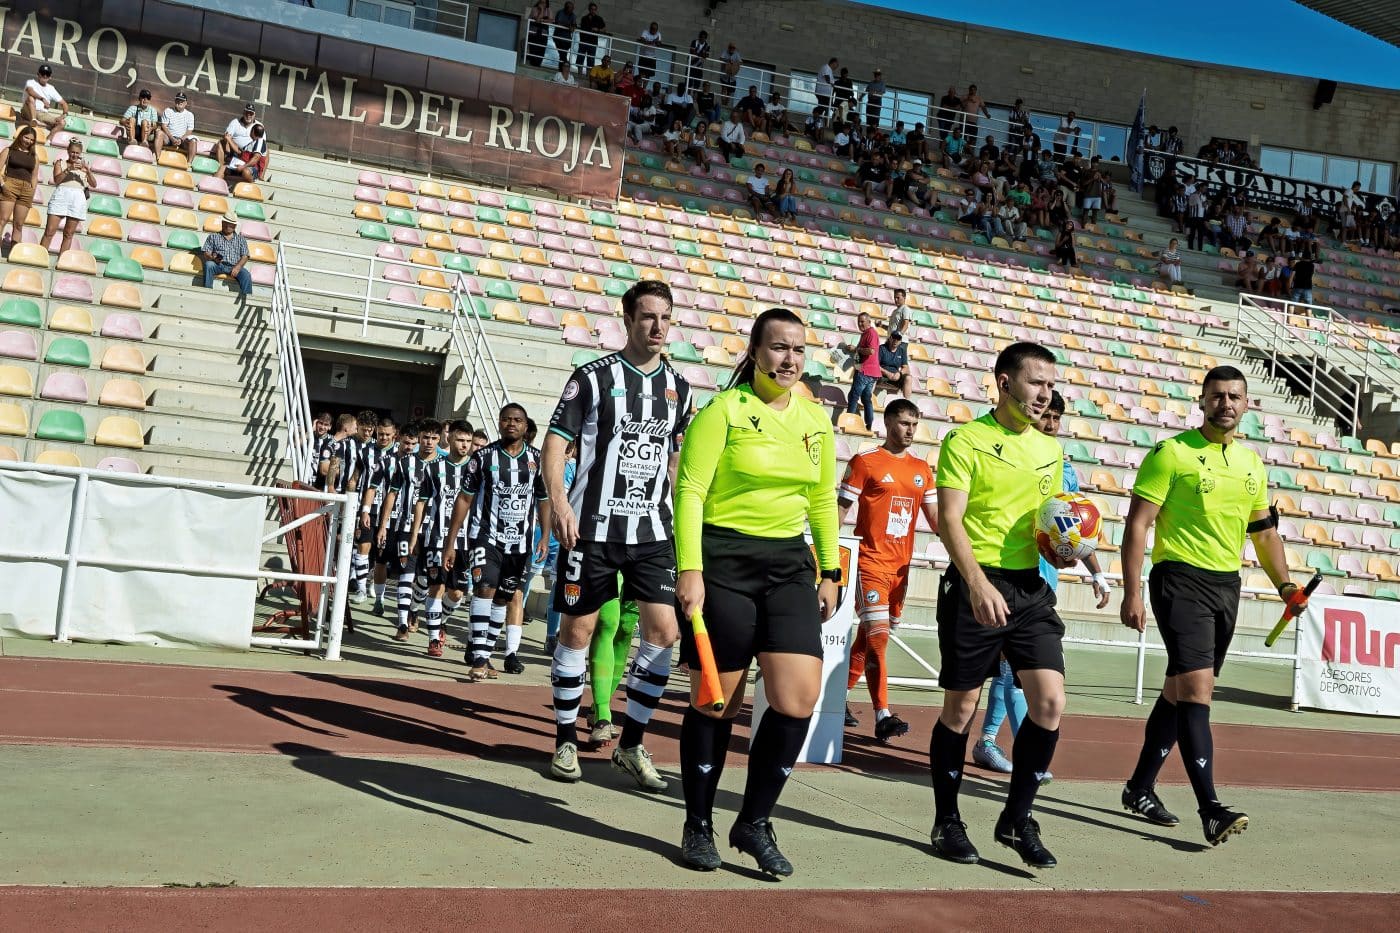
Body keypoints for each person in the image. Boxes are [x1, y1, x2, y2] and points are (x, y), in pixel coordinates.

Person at [673, 307, 840, 875]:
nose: (789, 359)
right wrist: (689, 569)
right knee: (717, 701)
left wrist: (832, 571)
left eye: (797, 349)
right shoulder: (723, 410)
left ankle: (755, 820)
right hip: (723, 562)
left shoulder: (817, 420)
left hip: (789, 564)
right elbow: (690, 490)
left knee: (797, 700)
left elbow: (821, 500)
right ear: (755, 351)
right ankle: (698, 825)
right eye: (777, 348)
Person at [1120, 367, 1306, 846]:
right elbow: (1138, 524)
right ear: (1201, 401)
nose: (1227, 403)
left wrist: (1285, 586)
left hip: (1226, 586)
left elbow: (1263, 533)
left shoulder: (1251, 464)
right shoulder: (1171, 453)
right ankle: (1211, 809)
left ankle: (1139, 787)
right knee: (1199, 692)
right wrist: (1132, 591)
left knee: (1179, 691)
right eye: (1218, 396)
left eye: (1235, 397)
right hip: (1178, 579)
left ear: (1246, 405)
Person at [544, 280, 693, 790]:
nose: (658, 327)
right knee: (578, 634)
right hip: (593, 531)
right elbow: (555, 444)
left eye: (666, 318)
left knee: (664, 633)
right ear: (627, 319)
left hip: (652, 532)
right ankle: (565, 738)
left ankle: (631, 744)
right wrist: (561, 504)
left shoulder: (680, 388)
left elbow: (675, 462)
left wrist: (686, 527)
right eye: (648, 317)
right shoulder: (591, 378)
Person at [929, 342, 1071, 870]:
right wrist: (976, 582)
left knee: (1050, 703)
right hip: (975, 584)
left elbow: (1047, 523)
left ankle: (1016, 818)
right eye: (1036, 382)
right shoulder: (965, 440)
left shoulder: (1050, 451)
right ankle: (947, 821)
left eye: (1050, 385)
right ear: (1005, 382)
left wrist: (1068, 545)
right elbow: (950, 520)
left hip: (1030, 589)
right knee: (960, 710)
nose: (1045, 394)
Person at [975, 391, 1110, 775]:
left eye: (1055, 419)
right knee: (1012, 672)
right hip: (1009, 576)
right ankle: (1027, 760)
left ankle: (987, 742)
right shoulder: (1015, 459)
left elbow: (1077, 531)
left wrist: (1095, 571)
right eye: (1044, 416)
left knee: (1012, 671)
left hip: (1042, 585)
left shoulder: (1063, 467)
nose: (1049, 424)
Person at [841, 399, 937, 743]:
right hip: (869, 561)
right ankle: (883, 714)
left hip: (901, 569)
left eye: (915, 423)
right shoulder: (865, 462)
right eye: (904, 423)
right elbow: (839, 510)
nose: (910, 430)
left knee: (870, 639)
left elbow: (938, 521)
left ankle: (837, 697)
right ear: (888, 423)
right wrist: (826, 561)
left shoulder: (922, 470)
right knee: (878, 635)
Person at [444, 404, 550, 678]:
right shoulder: (482, 457)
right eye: (506, 419)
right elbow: (465, 498)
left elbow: (543, 500)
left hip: (520, 544)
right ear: (499, 423)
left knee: (503, 599)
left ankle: (487, 656)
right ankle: (478, 657)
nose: (511, 424)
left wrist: (546, 535)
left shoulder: (537, 460)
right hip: (486, 538)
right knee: (485, 590)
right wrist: (451, 540)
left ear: (526, 426)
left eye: (517, 420)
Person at [408, 421, 475, 659]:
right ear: (450, 439)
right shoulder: (434, 468)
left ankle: (440, 619)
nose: (464, 445)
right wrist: (415, 534)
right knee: (436, 587)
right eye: (460, 440)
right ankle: (434, 639)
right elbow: (421, 502)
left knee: (458, 593)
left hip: (465, 541)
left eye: (468, 441)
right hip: (436, 537)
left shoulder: (475, 470)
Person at [379, 421, 442, 640]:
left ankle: (415, 608)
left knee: (425, 579)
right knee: (406, 575)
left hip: (434, 530)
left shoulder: (444, 466)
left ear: (440, 439)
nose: (429, 442)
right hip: (405, 526)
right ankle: (402, 624)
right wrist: (383, 525)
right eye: (425, 437)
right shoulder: (404, 463)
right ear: (419, 438)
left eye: (434, 438)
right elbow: (392, 493)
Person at [353, 416, 398, 607]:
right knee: (363, 545)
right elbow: (354, 477)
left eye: (388, 435)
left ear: (394, 434)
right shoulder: (365, 451)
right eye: (380, 434)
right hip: (368, 508)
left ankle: (375, 584)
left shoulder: (401, 454)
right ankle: (361, 588)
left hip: (389, 511)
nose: (384, 438)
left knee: (382, 552)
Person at [585, 591, 639, 746]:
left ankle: (597, 708)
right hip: (612, 568)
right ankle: (603, 716)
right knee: (607, 622)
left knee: (626, 629)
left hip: (639, 568)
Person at [0, 125, 40, 254]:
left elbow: (34, 177)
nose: (28, 141)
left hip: (26, 190)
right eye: (26, 137)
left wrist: (32, 192)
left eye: (31, 139)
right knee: (2, 219)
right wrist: (2, 185)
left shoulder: (34, 156)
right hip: (10, 185)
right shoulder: (9, 150)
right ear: (20, 136)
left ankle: (14, 254)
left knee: (18, 224)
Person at [842, 311, 880, 431]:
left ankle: (849, 423)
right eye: (858, 322)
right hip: (870, 371)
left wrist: (856, 349)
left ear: (869, 322)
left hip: (866, 370)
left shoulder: (871, 333)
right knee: (865, 398)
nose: (860, 324)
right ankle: (869, 425)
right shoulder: (865, 334)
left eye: (862, 321)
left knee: (853, 396)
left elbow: (871, 351)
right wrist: (853, 350)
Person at [200, 212, 253, 295]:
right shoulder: (213, 236)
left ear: (235, 226)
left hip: (234, 266)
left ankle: (247, 299)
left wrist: (238, 267)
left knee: (246, 275)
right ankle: (207, 292)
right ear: (222, 223)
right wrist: (213, 258)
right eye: (225, 223)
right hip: (218, 265)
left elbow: (245, 256)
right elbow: (206, 252)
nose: (227, 226)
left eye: (230, 224)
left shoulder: (241, 239)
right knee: (209, 265)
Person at [155, 92, 199, 163]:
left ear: (186, 103)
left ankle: (189, 164)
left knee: (193, 140)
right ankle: (157, 158)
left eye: (182, 101)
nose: (180, 102)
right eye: (178, 100)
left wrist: (181, 139)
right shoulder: (168, 110)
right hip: (169, 138)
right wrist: (172, 138)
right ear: (175, 101)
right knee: (159, 133)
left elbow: (189, 131)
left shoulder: (190, 115)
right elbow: (164, 126)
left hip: (183, 140)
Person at [20, 64, 67, 128]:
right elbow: (30, 91)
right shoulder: (31, 82)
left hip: (42, 114)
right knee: (30, 98)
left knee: (62, 123)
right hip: (28, 111)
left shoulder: (51, 88)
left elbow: (64, 103)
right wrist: (42, 99)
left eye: (47, 74)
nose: (45, 76)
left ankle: (48, 138)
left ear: (50, 76)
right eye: (43, 73)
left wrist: (63, 115)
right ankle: (34, 120)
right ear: (38, 74)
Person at [213, 103, 258, 167]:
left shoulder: (258, 126)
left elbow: (262, 143)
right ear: (243, 113)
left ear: (254, 115)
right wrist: (228, 140)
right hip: (234, 152)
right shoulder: (235, 122)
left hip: (250, 153)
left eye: (251, 113)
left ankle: (260, 176)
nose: (248, 115)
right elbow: (227, 136)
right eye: (247, 113)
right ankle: (221, 167)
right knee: (221, 142)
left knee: (266, 150)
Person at [875, 330, 913, 398]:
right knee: (872, 375)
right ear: (890, 338)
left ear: (900, 341)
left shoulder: (901, 351)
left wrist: (899, 374)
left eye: (898, 339)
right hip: (882, 375)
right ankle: (867, 399)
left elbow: (906, 368)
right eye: (894, 338)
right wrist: (887, 373)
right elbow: (875, 365)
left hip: (895, 376)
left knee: (908, 378)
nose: (895, 340)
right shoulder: (882, 348)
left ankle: (907, 404)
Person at [577, 2, 606, 70]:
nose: (593, 11)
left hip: (593, 42)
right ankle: (579, 73)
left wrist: (598, 29)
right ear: (589, 9)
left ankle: (588, 75)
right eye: (592, 9)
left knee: (591, 60)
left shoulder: (599, 19)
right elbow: (583, 28)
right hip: (583, 41)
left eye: (594, 9)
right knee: (580, 58)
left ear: (596, 10)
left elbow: (604, 29)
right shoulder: (584, 18)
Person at [526, 0, 553, 68]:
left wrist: (542, 20)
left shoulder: (548, 10)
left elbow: (551, 20)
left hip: (543, 34)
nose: (543, 4)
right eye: (541, 2)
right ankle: (533, 65)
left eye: (544, 2)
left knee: (541, 51)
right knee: (533, 50)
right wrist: (541, 10)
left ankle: (538, 65)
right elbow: (537, 20)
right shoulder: (535, 9)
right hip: (534, 34)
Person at [551, 1, 577, 66]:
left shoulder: (573, 15)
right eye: (571, 8)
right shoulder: (560, 12)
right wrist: (568, 26)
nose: (572, 10)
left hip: (567, 40)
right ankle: (565, 65)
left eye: (572, 8)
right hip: (558, 37)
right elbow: (559, 23)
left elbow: (574, 25)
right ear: (566, 8)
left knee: (562, 55)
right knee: (563, 54)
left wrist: (573, 27)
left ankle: (562, 67)